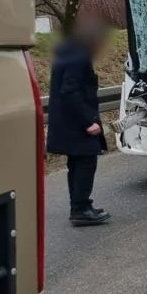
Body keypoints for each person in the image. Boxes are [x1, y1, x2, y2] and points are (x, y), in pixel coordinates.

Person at [46, 20, 111, 227]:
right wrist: (88, 122)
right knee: (85, 162)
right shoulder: (78, 56)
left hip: (67, 122)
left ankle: (79, 206)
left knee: (76, 163)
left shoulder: (66, 54)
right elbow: (70, 91)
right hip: (76, 123)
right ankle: (81, 209)